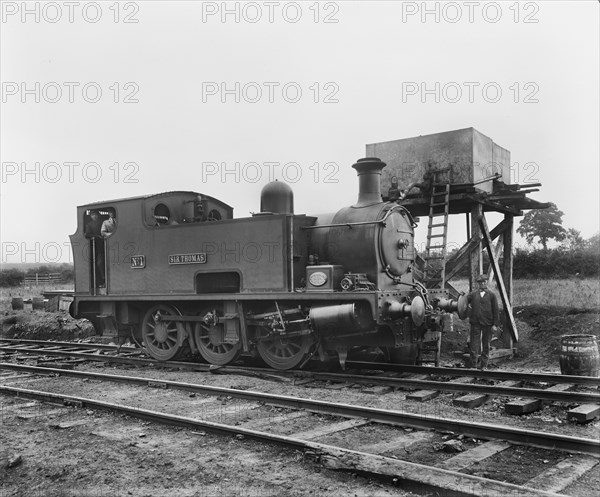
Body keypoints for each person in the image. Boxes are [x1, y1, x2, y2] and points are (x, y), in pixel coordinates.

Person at [467, 275, 499, 369]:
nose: (482, 284)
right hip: (475, 322)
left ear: (486, 283)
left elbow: (496, 310)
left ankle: (484, 366)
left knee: (486, 345)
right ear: (478, 284)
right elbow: (463, 302)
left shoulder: (492, 295)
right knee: (474, 344)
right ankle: (473, 365)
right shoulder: (473, 294)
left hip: (488, 323)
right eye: (480, 283)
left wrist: (495, 324)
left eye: (484, 282)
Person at [84, 210, 105, 287]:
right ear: (91, 216)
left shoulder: (104, 222)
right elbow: (87, 234)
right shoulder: (89, 225)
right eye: (93, 215)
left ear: (99, 215)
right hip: (97, 245)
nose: (95, 216)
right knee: (99, 263)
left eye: (96, 214)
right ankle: (102, 279)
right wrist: (97, 236)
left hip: (106, 244)